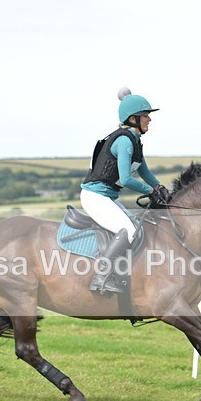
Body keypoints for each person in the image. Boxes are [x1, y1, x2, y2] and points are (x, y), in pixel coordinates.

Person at [80, 88, 171, 294]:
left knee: (137, 229)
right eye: (145, 115)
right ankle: (100, 277)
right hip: (95, 197)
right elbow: (126, 179)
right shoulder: (124, 141)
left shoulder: (135, 141)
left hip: (107, 197)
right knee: (128, 231)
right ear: (133, 119)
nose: (149, 119)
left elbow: (144, 171)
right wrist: (150, 191)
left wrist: (160, 188)